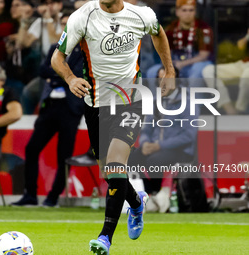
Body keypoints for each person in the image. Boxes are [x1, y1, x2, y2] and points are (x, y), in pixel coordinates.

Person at [51, 0, 175, 254]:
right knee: (110, 174)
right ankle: (136, 201)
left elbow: (158, 32)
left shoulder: (141, 15)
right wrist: (71, 77)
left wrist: (170, 70)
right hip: (96, 105)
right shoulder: (82, 17)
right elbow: (57, 57)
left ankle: (105, 237)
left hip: (132, 101)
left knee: (117, 165)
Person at [11, 12, 85, 207]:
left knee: (64, 155)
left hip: (70, 108)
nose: (65, 27)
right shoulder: (55, 47)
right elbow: (43, 71)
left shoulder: (86, 51)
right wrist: (63, 74)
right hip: (49, 106)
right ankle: (30, 195)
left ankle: (53, 197)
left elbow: (78, 75)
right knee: (32, 148)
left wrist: (58, 73)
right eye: (62, 24)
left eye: (68, 23)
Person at [128, 67, 197, 213]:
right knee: (131, 158)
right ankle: (150, 194)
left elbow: (188, 136)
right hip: (154, 148)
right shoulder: (155, 101)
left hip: (180, 150)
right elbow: (146, 129)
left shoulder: (188, 102)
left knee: (154, 160)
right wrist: (145, 143)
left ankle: (153, 194)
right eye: (160, 79)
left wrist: (159, 145)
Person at [147, 0, 213, 82]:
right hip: (175, 63)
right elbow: (166, 53)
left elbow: (203, 56)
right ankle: (157, 94)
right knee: (152, 72)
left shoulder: (203, 28)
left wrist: (182, 63)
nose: (187, 13)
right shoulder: (170, 29)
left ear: (195, 12)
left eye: (191, 10)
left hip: (197, 63)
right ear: (177, 12)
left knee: (196, 72)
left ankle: (194, 94)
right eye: (184, 10)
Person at [202, 28, 249, 114]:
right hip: (243, 64)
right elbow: (240, 46)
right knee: (209, 70)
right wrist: (247, 36)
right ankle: (228, 108)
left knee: (247, 74)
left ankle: (240, 110)